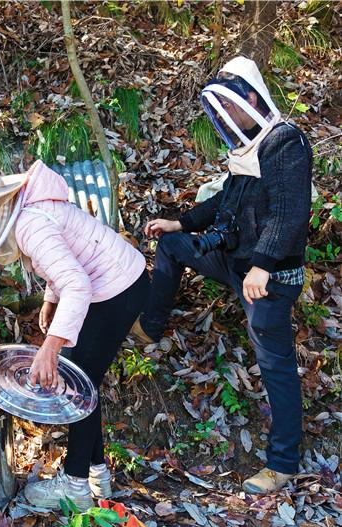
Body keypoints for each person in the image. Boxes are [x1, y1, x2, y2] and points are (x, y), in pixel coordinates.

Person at [131, 57, 312, 494]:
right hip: (235, 263)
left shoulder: (285, 143)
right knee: (172, 246)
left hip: (270, 279)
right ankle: (149, 328)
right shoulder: (247, 150)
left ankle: (284, 463)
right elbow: (225, 202)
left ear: (251, 98)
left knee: (275, 366)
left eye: (230, 106)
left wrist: (263, 265)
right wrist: (182, 223)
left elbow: (290, 215)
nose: (227, 117)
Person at [0, 158, 149, 510]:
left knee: (77, 387)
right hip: (116, 282)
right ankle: (96, 475)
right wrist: (50, 298)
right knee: (83, 383)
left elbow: (76, 283)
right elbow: (63, 263)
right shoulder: (27, 214)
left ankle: (75, 486)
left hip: (114, 289)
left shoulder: (30, 224)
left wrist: (49, 348)